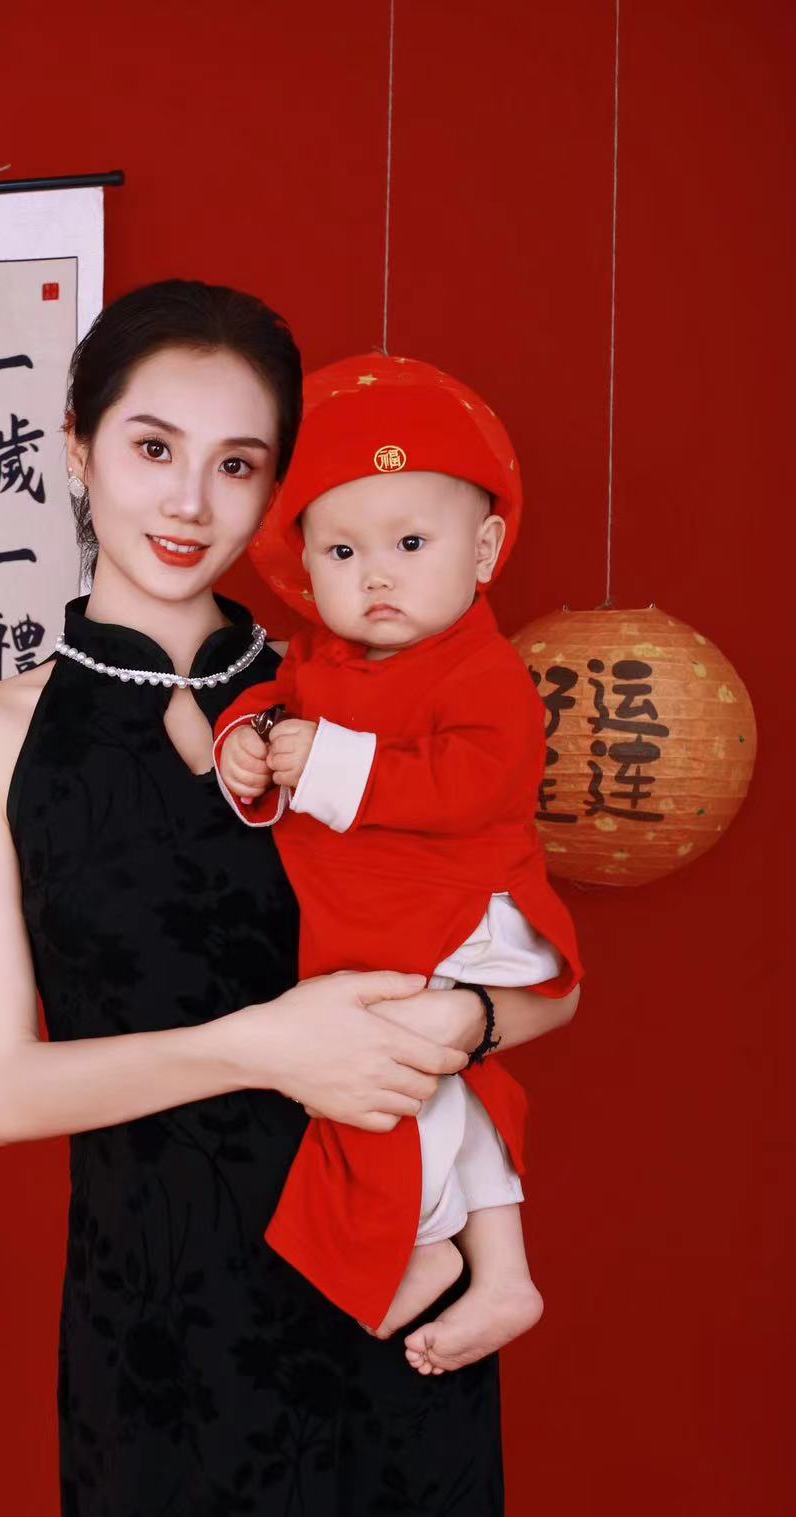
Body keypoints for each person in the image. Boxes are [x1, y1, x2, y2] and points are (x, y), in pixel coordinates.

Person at [0, 279, 580, 1517]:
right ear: (76, 446)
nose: (191, 502)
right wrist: (269, 1043)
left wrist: (468, 1014)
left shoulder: (357, 688)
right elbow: (4, 1091)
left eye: (240, 464)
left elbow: (540, 972)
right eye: (154, 448)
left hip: (392, 1313)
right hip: (162, 1345)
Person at [214, 355, 582, 1375]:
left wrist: (330, 761)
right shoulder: (315, 661)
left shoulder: (484, 671)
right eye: (342, 550)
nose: (375, 574)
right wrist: (249, 742)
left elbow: (474, 783)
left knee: (377, 1069)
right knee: (442, 1082)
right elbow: (274, 708)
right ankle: (500, 1270)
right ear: (305, 565)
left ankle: (412, 1241)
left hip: (466, 907)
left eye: (410, 543)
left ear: (483, 549)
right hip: (388, 917)